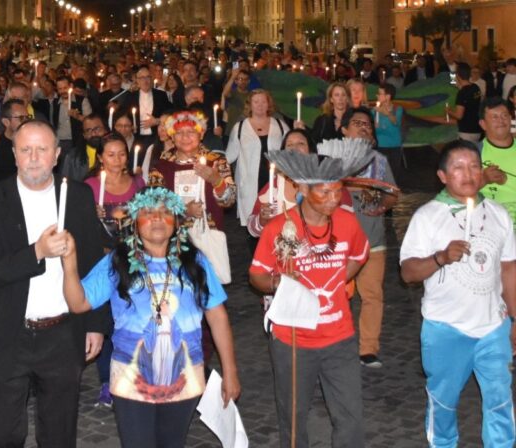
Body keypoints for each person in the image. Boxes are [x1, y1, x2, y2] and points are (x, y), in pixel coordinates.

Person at [60, 187, 241, 447]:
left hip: (184, 377)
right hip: (131, 378)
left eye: (165, 212)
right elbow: (78, 303)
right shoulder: (118, 261)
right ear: (135, 222)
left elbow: (217, 317)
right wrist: (69, 263)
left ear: (177, 221)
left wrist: (230, 372)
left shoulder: (194, 262)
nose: (157, 218)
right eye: (148, 212)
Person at [0, 120, 110, 447]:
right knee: (3, 431)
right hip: (8, 333)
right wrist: (38, 251)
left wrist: (95, 324)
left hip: (62, 333)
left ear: (56, 154)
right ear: (15, 155)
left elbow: (94, 264)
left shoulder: (76, 196)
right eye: (26, 150)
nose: (34, 158)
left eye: (42, 149)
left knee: (59, 432)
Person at [249, 145, 373, 448]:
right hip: (293, 340)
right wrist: (281, 284)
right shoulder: (279, 228)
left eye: (337, 191)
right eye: (325, 193)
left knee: (350, 418)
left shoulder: (346, 223)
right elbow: (257, 275)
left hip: (339, 338)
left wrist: (334, 281)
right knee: (293, 418)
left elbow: (360, 254)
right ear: (303, 188)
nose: (334, 200)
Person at [400, 140, 516, 447]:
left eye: (475, 166)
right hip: (445, 329)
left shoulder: (498, 214)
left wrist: (514, 319)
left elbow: (508, 269)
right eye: (459, 167)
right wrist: (440, 258)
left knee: (501, 402)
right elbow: (408, 273)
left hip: (493, 327)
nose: (469, 174)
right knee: (444, 404)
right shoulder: (427, 217)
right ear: (442, 175)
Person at [83, 133, 146, 407]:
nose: (117, 160)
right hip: (103, 262)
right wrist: (90, 216)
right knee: (105, 321)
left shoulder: (138, 183)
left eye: (122, 153)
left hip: (133, 261)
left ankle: (136, 374)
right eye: (111, 154)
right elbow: (79, 228)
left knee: (132, 320)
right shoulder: (90, 186)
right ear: (100, 157)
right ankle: (108, 381)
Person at [340, 107, 399, 368]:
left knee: (372, 295)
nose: (364, 127)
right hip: (339, 242)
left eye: (367, 125)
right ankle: (336, 345)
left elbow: (393, 193)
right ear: (343, 130)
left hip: (372, 239)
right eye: (357, 123)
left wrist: (382, 205)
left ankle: (368, 349)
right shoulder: (333, 157)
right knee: (337, 294)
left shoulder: (380, 161)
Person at [148, 110, 236, 231]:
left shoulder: (216, 161)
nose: (185, 137)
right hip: (174, 238)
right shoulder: (161, 167)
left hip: (210, 238)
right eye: (179, 132)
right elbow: (154, 208)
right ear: (172, 136)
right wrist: (184, 211)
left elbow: (229, 202)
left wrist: (217, 181)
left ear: (202, 134)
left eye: (191, 132)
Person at [226, 89, 289, 242]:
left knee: (278, 222)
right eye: (256, 101)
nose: (260, 105)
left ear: (269, 104)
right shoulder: (240, 128)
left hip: (274, 181)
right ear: (250, 105)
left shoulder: (280, 125)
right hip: (250, 183)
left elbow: (291, 150)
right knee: (253, 226)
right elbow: (228, 157)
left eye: (263, 101)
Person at [478, 97, 516, 231]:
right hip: (492, 224)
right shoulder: (474, 153)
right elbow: (456, 192)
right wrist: (484, 180)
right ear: (483, 124)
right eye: (494, 117)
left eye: (504, 115)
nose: (501, 120)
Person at [121, 65, 172, 149]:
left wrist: (158, 121)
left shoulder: (161, 95)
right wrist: (129, 125)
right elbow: (124, 115)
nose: (145, 80)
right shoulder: (130, 97)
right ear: (137, 80)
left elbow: (170, 114)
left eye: (148, 77)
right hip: (137, 138)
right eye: (142, 78)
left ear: (151, 79)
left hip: (157, 137)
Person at [373, 83, 405, 186]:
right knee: (381, 174)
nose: (377, 96)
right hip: (380, 146)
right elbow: (371, 127)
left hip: (394, 146)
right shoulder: (375, 110)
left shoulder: (397, 109)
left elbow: (396, 122)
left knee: (394, 174)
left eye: (380, 94)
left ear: (388, 96)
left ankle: (392, 195)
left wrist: (387, 113)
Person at [446, 63, 483, 143]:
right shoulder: (476, 87)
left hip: (466, 132)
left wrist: (448, 111)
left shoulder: (462, 93)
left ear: (458, 76)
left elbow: (459, 115)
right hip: (477, 129)